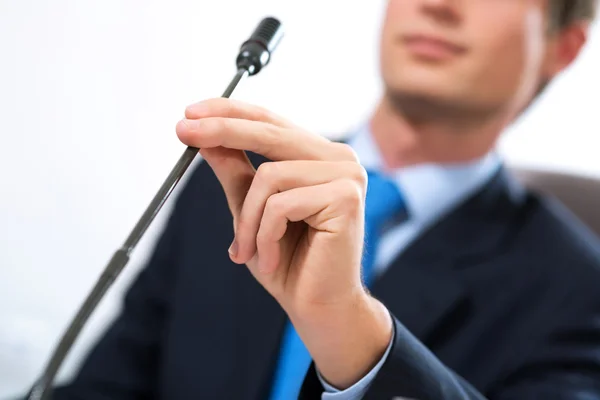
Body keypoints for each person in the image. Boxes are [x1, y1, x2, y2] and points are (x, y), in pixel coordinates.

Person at [47, 0, 600, 399]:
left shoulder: (580, 290)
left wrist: (354, 336)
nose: (437, 5)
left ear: (564, 44)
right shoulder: (230, 182)